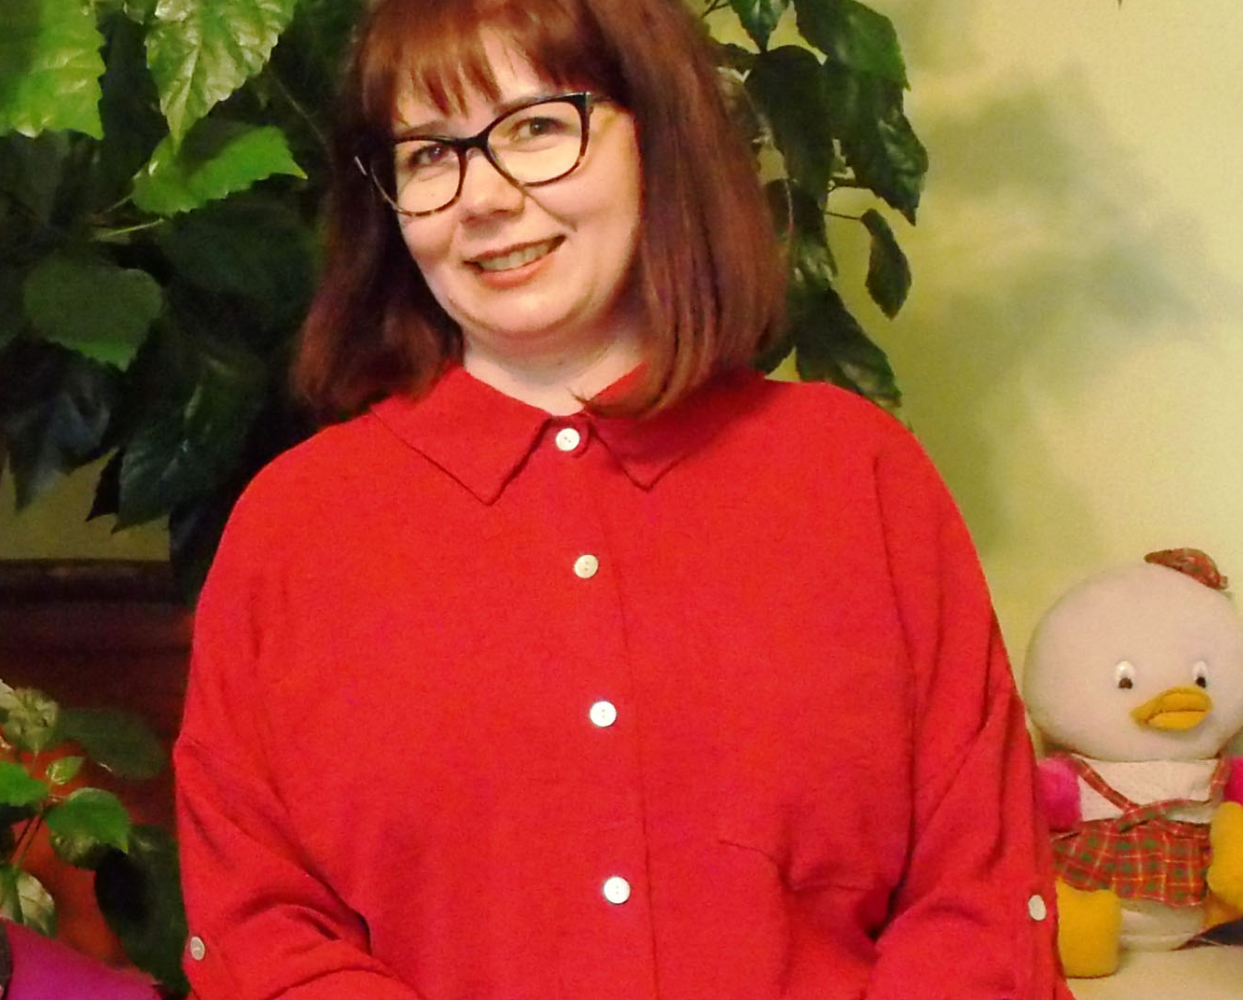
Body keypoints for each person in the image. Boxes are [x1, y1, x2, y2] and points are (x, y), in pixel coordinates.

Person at [172, 0, 1072, 997]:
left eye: (536, 127)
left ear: (661, 137)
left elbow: (979, 894)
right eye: (429, 155)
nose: (484, 198)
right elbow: (260, 924)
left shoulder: (860, 478)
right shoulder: (295, 528)